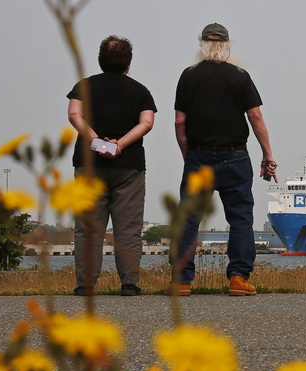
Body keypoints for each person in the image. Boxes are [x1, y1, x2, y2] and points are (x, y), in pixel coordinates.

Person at [166, 22, 276, 297]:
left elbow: (180, 122)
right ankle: (238, 278)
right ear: (227, 46)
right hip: (235, 155)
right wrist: (267, 154)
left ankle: (181, 281)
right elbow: (256, 117)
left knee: (189, 217)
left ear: (202, 44)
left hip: (198, 154)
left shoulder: (188, 76)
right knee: (240, 218)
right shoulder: (240, 76)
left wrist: (187, 155)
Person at [67, 35, 157, 296]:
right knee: (127, 227)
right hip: (128, 166)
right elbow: (147, 123)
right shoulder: (141, 91)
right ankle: (129, 283)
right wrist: (120, 144)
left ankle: (85, 284)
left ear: (100, 60)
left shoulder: (83, 86)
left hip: (88, 164)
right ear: (128, 63)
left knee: (87, 226)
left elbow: (74, 114)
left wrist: (96, 142)